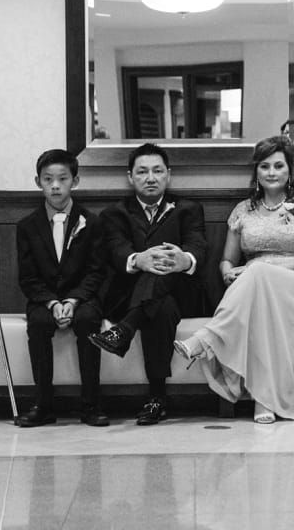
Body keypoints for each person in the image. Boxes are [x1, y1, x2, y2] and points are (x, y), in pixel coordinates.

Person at [173, 135, 294, 423]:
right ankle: (262, 401)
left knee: (257, 270)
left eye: (278, 166)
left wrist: (265, 267)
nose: (271, 172)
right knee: (259, 302)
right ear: (256, 171)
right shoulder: (243, 210)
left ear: (289, 171)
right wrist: (227, 272)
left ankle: (207, 338)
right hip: (255, 289)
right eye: (265, 166)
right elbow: (227, 260)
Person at [90, 143, 206, 425]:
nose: (150, 177)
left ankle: (124, 331)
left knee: (164, 277)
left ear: (169, 174)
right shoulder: (114, 214)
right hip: (130, 295)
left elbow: (198, 247)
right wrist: (138, 259)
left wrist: (184, 259)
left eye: (157, 171)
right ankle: (158, 398)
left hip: (181, 293)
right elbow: (117, 251)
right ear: (131, 177)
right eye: (142, 172)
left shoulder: (188, 209)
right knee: (160, 306)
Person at [14, 149, 109, 428]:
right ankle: (43, 405)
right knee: (39, 324)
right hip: (44, 299)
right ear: (37, 182)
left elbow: (96, 270)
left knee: (89, 322)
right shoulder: (27, 226)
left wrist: (74, 300)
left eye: (62, 179)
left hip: (83, 297)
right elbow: (28, 277)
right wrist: (53, 303)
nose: (55, 185)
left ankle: (91, 404)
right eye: (48, 179)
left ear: (75, 181)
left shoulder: (91, 222)